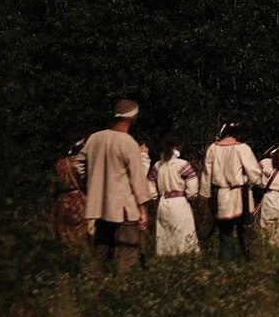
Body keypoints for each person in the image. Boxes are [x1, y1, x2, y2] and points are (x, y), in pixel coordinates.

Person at [81, 99, 153, 274]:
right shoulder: (128, 142)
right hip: (124, 208)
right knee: (128, 250)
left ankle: (93, 284)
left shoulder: (95, 138)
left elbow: (78, 164)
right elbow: (137, 179)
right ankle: (124, 286)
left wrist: (92, 185)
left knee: (100, 251)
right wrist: (143, 210)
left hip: (101, 207)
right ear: (132, 118)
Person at [204, 115, 263, 263]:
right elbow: (254, 173)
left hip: (221, 196)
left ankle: (226, 266)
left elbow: (206, 175)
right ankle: (251, 262)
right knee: (246, 231)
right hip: (241, 196)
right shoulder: (242, 148)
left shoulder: (213, 149)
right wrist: (260, 181)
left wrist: (205, 195)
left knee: (225, 234)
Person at [148, 135, 202, 258]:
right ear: (179, 148)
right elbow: (192, 185)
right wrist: (191, 196)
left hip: (163, 203)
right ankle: (185, 258)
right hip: (180, 203)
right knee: (184, 234)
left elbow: (150, 184)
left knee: (166, 235)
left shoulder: (157, 166)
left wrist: (155, 197)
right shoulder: (182, 165)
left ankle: (167, 259)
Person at [52, 129, 90, 250]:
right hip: (79, 202)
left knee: (64, 239)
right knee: (81, 239)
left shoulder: (60, 163)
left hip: (62, 202)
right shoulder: (82, 163)